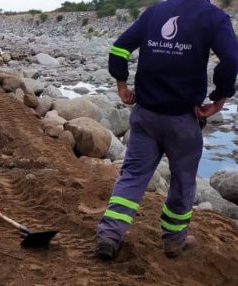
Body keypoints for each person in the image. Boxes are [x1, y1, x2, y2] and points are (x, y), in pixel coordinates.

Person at [96, 0, 238, 260]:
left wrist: (122, 86)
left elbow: (119, 48)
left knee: (132, 177)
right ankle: (174, 241)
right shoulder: (213, 17)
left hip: (145, 116)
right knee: (183, 183)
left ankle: (109, 235)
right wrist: (220, 97)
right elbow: (230, 59)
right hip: (183, 121)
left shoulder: (155, 12)